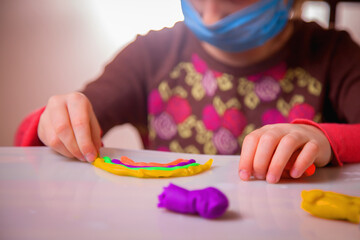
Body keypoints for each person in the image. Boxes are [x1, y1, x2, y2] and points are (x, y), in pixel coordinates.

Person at [15, 0, 360, 183]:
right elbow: (45, 138)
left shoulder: (333, 53)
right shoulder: (150, 55)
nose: (209, 17)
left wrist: (322, 140)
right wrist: (52, 124)